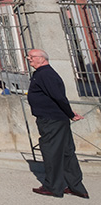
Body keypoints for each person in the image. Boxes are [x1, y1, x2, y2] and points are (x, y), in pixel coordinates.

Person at [26, 49, 89, 199]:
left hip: (50, 120)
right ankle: (76, 187)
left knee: (52, 152)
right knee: (67, 153)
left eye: (32, 57)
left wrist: (70, 113)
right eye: (28, 57)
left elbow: (59, 97)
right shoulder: (45, 73)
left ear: (42, 59)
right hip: (57, 118)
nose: (29, 59)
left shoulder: (45, 74)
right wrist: (68, 113)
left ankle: (53, 187)